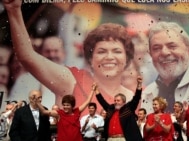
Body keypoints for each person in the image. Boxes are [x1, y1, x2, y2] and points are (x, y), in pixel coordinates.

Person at [3, 0, 135, 116]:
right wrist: (14, 10)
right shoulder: (72, 82)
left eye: (117, 51)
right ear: (90, 58)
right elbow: (27, 56)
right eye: (101, 51)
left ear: (127, 58)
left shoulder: (134, 99)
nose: (109, 57)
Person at [9, 36, 65, 109]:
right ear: (40, 53)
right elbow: (13, 107)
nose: (52, 55)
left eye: (56, 51)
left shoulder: (73, 80)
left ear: (64, 53)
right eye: (47, 51)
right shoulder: (25, 80)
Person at [32, 83, 97, 141]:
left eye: (67, 105)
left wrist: (92, 90)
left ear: (72, 106)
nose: (65, 107)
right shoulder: (59, 113)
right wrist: (37, 102)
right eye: (64, 105)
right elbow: (44, 112)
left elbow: (87, 101)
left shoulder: (77, 111)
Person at [93, 76, 143, 141]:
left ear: (124, 102)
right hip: (110, 138)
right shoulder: (111, 109)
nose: (116, 102)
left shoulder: (128, 108)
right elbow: (102, 101)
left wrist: (139, 84)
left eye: (118, 100)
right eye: (115, 100)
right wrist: (96, 89)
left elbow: (136, 98)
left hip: (122, 138)